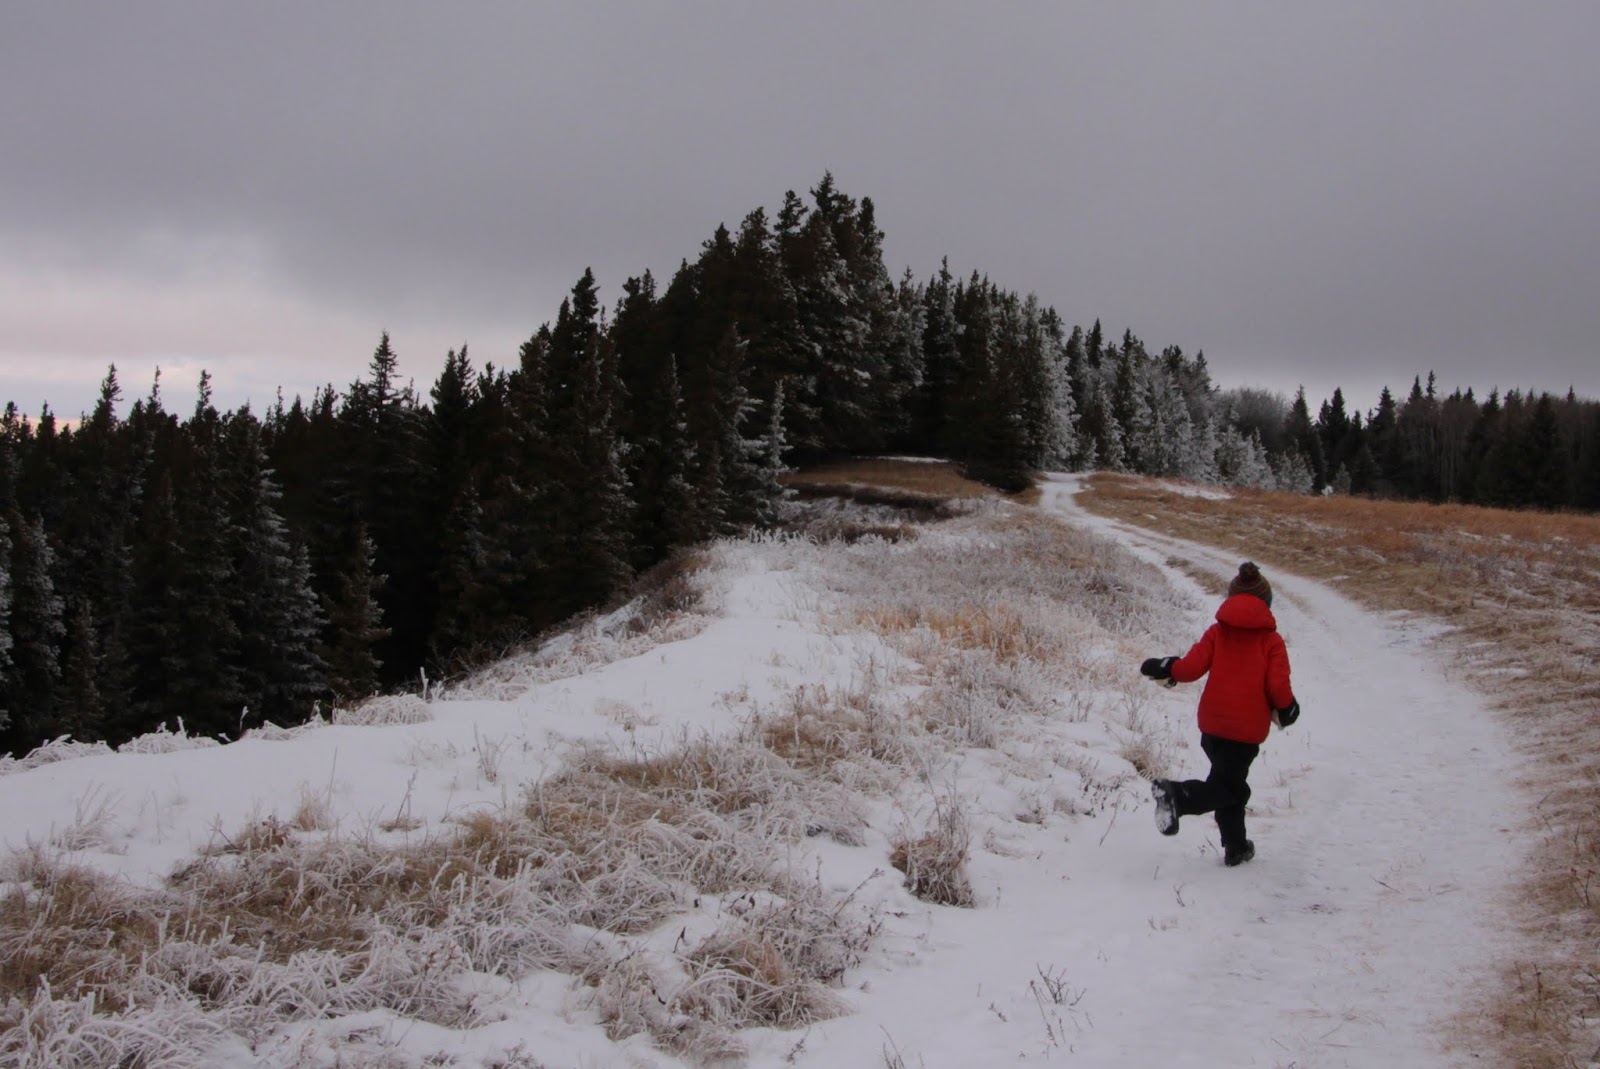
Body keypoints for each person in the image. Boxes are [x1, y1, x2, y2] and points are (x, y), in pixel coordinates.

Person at [1140, 562, 1300, 867]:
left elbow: (1189, 669)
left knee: (1229, 785)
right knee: (1229, 787)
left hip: (1212, 727)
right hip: (1245, 732)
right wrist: (1288, 709)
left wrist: (1166, 667)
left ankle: (1236, 847)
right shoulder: (1271, 642)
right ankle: (1178, 796)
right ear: (1266, 603)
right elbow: (1278, 686)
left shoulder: (1217, 632)